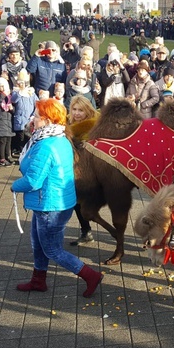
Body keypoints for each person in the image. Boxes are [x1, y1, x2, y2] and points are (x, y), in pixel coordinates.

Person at [12, 99, 103, 297]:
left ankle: (90, 275)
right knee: (38, 243)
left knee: (52, 250)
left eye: (36, 116)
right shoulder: (59, 137)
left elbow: (33, 181)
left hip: (50, 205)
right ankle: (38, 280)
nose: (33, 119)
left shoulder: (46, 145)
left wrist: (14, 186)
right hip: (53, 202)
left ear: (47, 120)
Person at [65, 96, 100, 246]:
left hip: (88, 172)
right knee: (76, 203)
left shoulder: (93, 126)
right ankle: (86, 232)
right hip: (70, 169)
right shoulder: (65, 123)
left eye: (81, 110)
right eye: (74, 109)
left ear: (88, 111)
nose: (77, 113)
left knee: (80, 202)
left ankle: (88, 231)